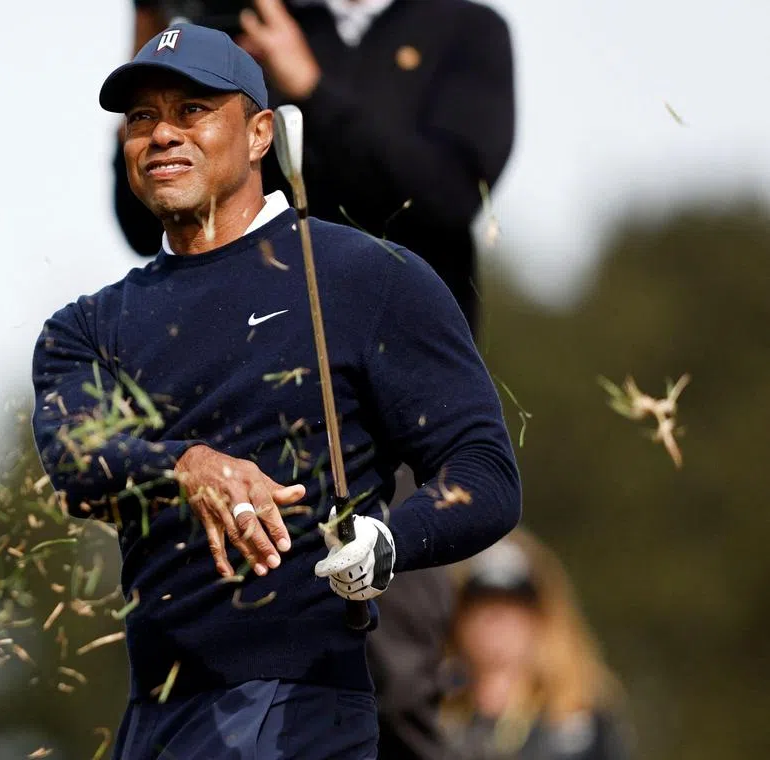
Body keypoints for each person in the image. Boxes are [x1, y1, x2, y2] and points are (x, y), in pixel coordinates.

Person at [32, 23, 521, 759]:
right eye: (142, 118)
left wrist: (393, 539)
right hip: (160, 714)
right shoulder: (88, 327)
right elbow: (79, 455)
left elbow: (484, 470)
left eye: (192, 109)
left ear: (262, 133)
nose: (162, 133)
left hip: (310, 709)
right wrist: (186, 465)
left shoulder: (367, 278)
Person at [117, 0, 516, 335]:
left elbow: (452, 195)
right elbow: (146, 226)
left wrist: (311, 89)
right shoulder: (250, 29)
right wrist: (152, 61)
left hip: (413, 343)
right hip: (267, 347)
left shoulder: (467, 28)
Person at [439, 531, 633, 760]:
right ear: (458, 617)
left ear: (541, 617)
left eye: (513, 605)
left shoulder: (578, 729)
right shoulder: (437, 716)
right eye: (479, 604)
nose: (495, 618)